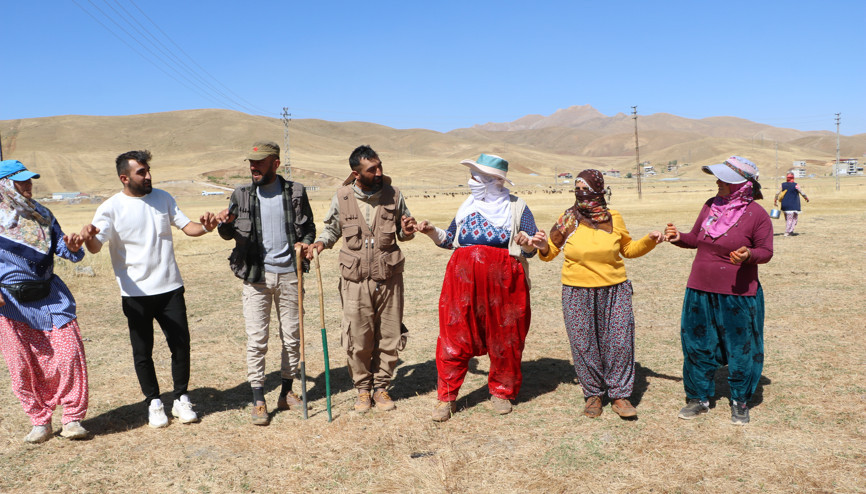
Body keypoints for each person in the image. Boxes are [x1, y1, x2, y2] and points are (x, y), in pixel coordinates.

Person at [79, 150, 217, 428]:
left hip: (170, 287)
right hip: (135, 294)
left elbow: (188, 227)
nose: (148, 176)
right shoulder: (110, 207)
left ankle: (180, 399)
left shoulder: (163, 198)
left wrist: (207, 227)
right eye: (141, 172)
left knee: (180, 345)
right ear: (124, 177)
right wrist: (87, 239)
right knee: (143, 352)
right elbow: (96, 247)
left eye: (148, 170)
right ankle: (154, 402)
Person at [417, 153, 546, 422]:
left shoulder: (517, 207)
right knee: (454, 336)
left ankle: (502, 391)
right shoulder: (467, 206)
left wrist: (526, 242)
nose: (472, 181)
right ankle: (447, 397)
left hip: (506, 283)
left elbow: (531, 250)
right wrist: (431, 231)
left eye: (476, 177)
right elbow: (450, 239)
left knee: (506, 336)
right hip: (462, 281)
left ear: (493, 180)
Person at [538, 169, 662, 420]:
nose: (582, 193)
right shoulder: (568, 219)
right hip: (576, 291)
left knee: (619, 342)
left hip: (615, 289)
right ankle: (593, 394)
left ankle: (619, 394)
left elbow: (628, 249)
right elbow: (550, 252)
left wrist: (649, 240)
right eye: (577, 188)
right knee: (584, 344)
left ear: (599, 189)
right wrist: (541, 246)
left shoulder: (614, 217)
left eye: (587, 188)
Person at [307, 145, 417, 413]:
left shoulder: (394, 195)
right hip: (355, 279)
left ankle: (381, 388)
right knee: (358, 337)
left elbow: (404, 234)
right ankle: (362, 390)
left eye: (380, 166)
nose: (379, 172)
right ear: (356, 173)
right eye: (372, 169)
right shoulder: (343, 197)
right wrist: (320, 244)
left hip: (389, 276)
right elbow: (332, 229)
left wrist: (408, 231)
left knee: (389, 334)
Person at [664, 155, 773, 425]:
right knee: (697, 344)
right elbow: (696, 239)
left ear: (741, 184)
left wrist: (748, 255)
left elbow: (766, 251)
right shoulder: (711, 206)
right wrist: (679, 238)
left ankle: (740, 401)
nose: (718, 182)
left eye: (724, 179)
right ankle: (698, 397)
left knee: (740, 348)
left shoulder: (756, 215)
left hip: (738, 293)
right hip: (699, 289)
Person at [216, 141, 316, 426]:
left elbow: (308, 227)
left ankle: (286, 393)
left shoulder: (295, 191)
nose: (253, 167)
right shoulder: (242, 194)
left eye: (260, 162)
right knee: (257, 339)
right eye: (251, 162)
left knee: (292, 337)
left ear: (276, 163)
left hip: (290, 276)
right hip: (256, 277)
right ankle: (259, 398)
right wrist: (225, 223)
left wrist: (306, 244)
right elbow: (228, 233)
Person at [0, 160, 90, 443]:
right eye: (21, 182)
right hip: (10, 304)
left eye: (29, 181)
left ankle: (73, 418)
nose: (28, 186)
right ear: (4, 187)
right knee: (22, 365)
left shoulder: (42, 214)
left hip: (51, 297)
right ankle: (40, 421)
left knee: (69, 355)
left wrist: (73, 246)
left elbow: (62, 248)